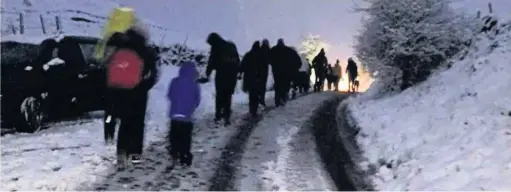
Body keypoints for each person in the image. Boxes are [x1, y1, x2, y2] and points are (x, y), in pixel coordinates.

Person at [103, 23, 159, 168]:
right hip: (138, 91)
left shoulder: (119, 47)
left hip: (118, 91)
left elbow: (108, 68)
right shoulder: (145, 50)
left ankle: (121, 153)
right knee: (138, 123)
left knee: (124, 123)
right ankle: (135, 154)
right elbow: (153, 74)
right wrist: (145, 86)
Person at [199, 33, 240, 125]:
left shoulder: (216, 47)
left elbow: (212, 62)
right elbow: (237, 61)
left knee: (220, 95)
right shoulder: (231, 45)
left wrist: (207, 73)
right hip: (232, 76)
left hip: (221, 75)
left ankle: (218, 115)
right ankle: (227, 116)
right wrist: (237, 72)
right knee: (228, 96)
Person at [167, 61, 201, 167]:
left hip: (175, 116)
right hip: (187, 117)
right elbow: (197, 100)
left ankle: (174, 153)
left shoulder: (174, 81)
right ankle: (184, 156)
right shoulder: (195, 85)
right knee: (185, 137)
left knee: (174, 136)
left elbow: (170, 95)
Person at [269, 39, 301, 107]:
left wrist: (273, 64)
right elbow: (297, 60)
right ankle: (283, 99)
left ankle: (277, 100)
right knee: (285, 85)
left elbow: (268, 59)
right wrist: (296, 67)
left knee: (278, 85)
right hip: (286, 72)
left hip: (276, 71)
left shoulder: (273, 50)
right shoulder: (288, 50)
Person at [239, 41, 264, 116]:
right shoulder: (260, 56)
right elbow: (263, 68)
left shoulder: (248, 55)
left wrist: (240, 72)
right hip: (257, 78)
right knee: (256, 94)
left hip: (249, 78)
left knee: (251, 94)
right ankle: (254, 110)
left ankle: (251, 110)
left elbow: (242, 65)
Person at [258, 39, 271, 107]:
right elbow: (270, 60)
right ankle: (261, 100)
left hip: (258, 71)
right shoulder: (268, 50)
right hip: (264, 70)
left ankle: (258, 99)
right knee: (263, 86)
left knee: (258, 85)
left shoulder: (259, 50)